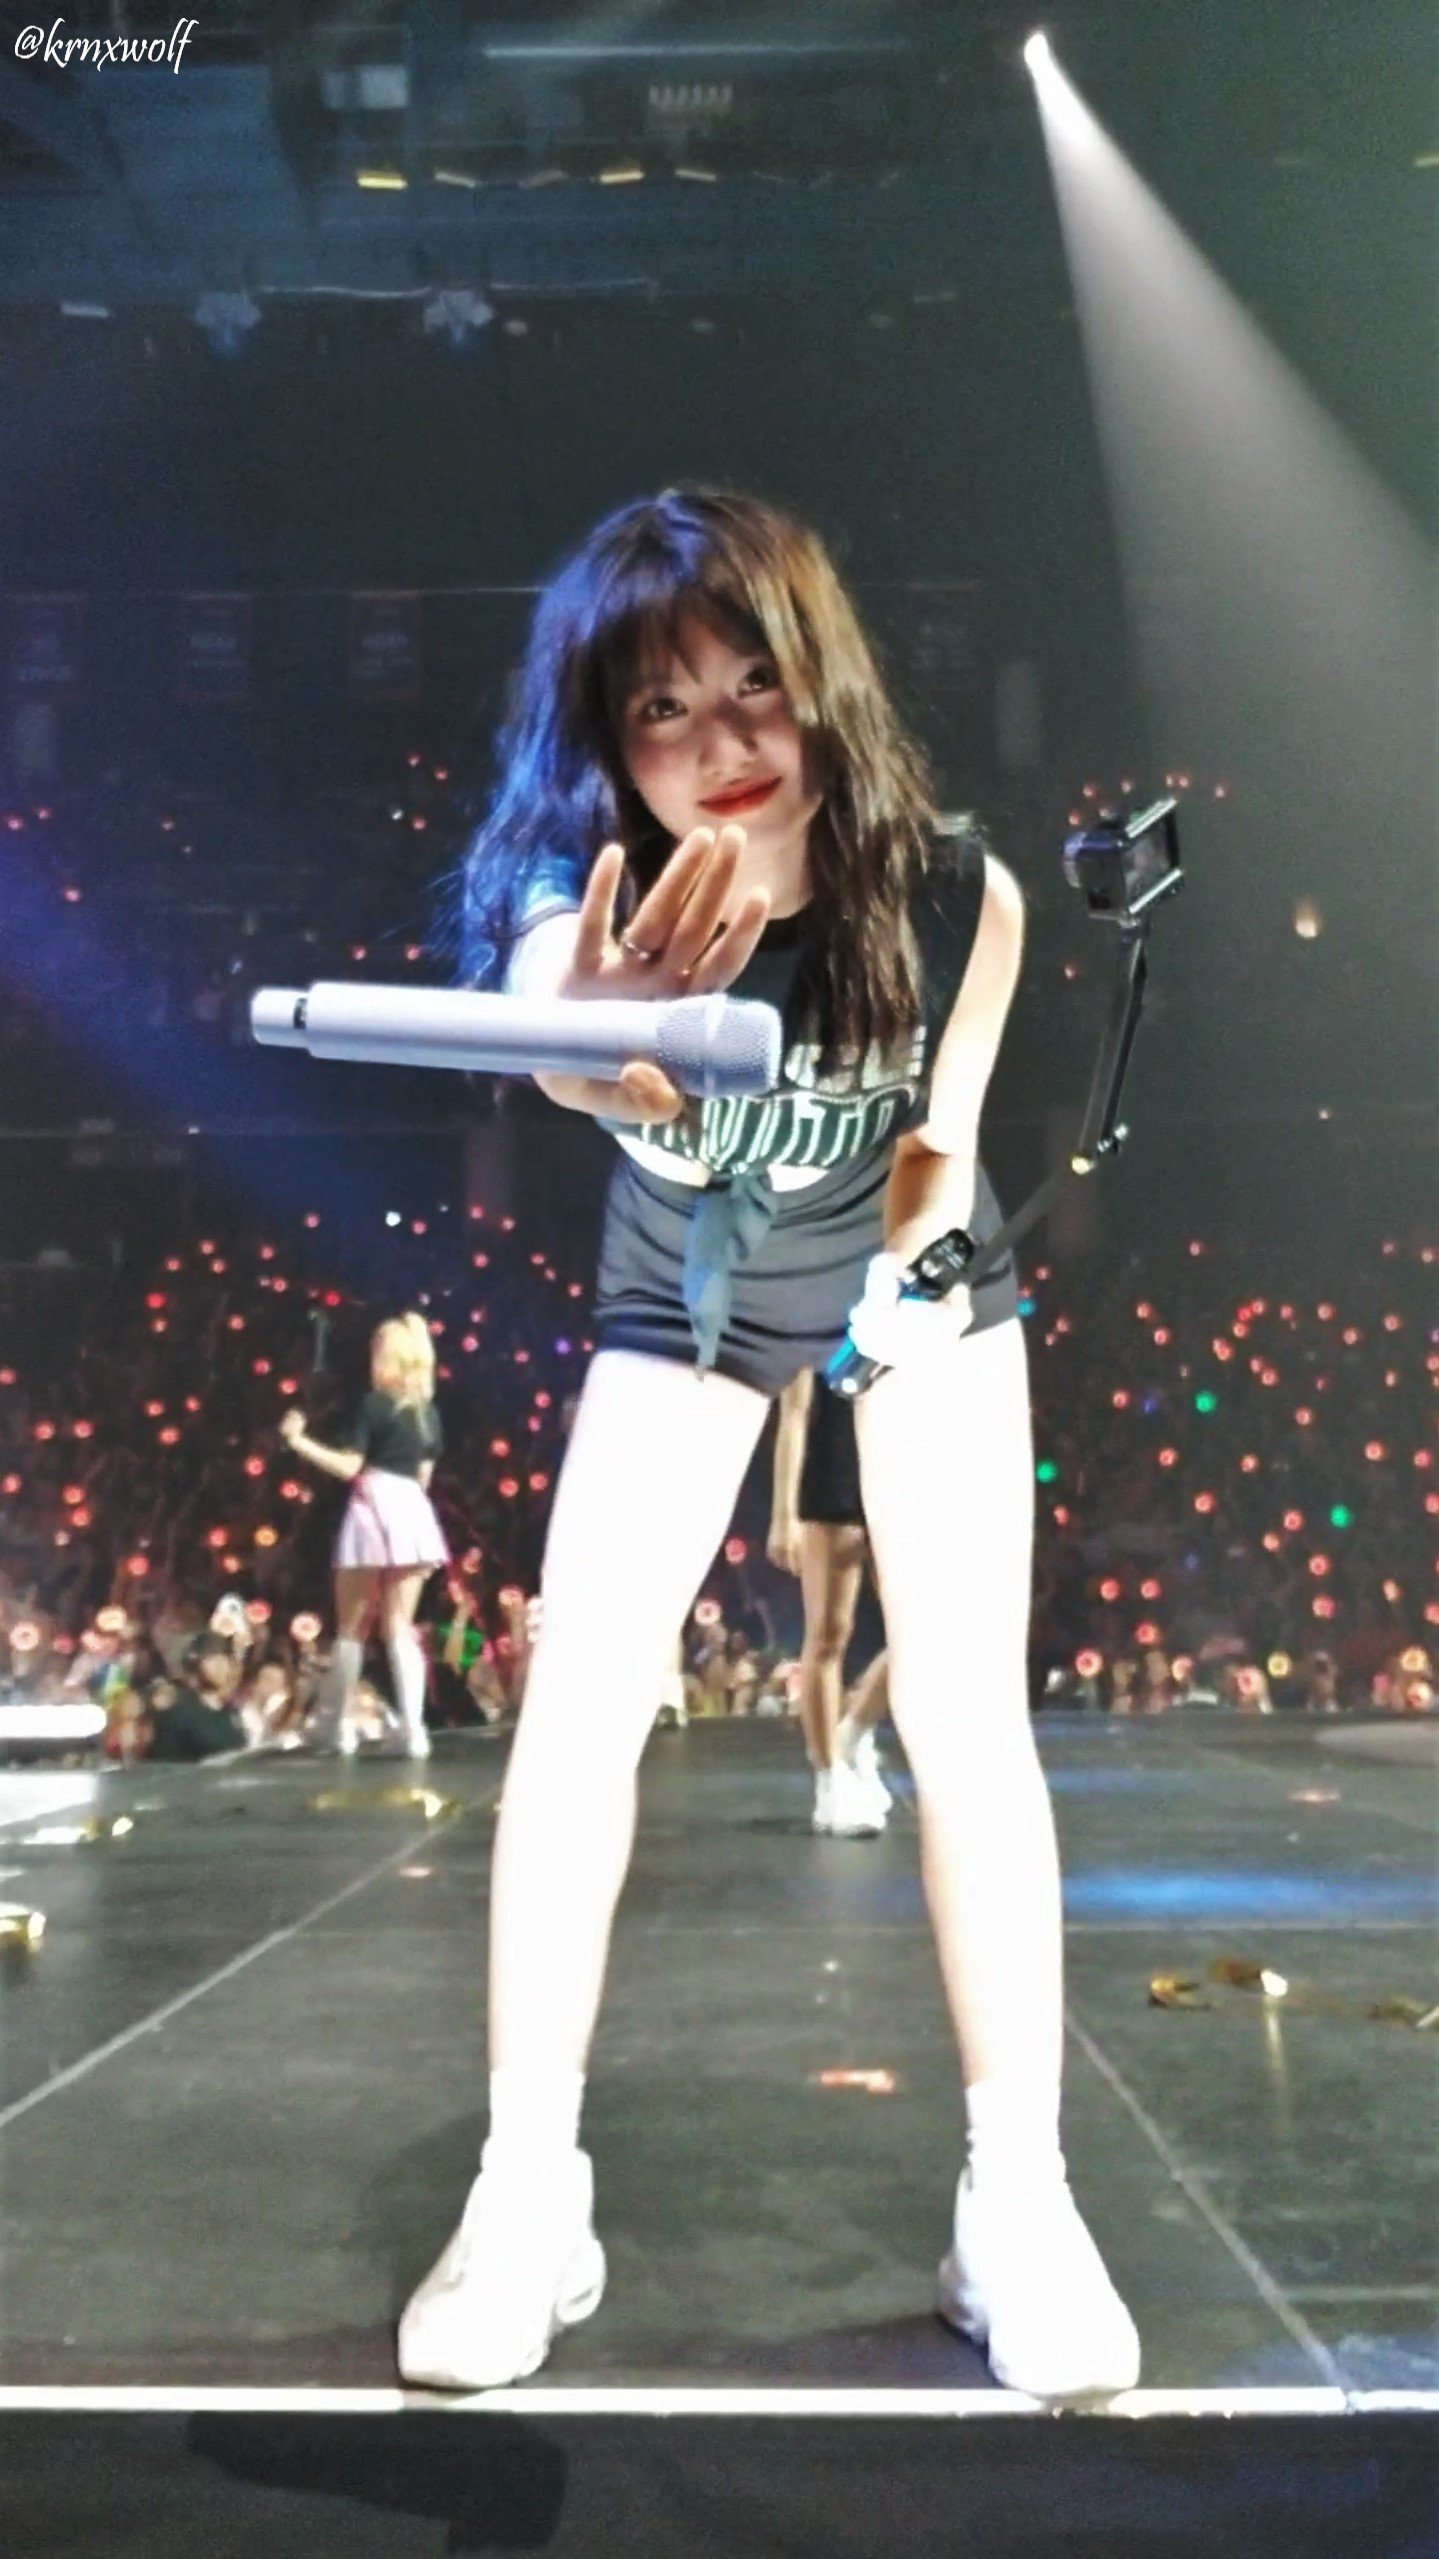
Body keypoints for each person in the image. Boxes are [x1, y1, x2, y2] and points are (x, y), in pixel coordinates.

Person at [399, 487, 1139, 2400]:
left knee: (962, 1710)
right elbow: (552, 1029)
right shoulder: (579, 893)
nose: (719, 741)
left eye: (752, 685)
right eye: (661, 707)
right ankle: (527, 2186)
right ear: (605, 737)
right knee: (580, 1698)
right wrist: (600, 1028)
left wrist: (897, 1300)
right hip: (684, 1285)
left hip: (909, 1273)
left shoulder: (953, 894)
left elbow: (939, 1144)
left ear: (821, 682)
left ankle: (1015, 2196)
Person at [279, 1312, 448, 1760]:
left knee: (351, 1627)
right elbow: (424, 1478)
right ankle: (413, 1730)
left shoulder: (375, 1405)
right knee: (400, 1627)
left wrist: (299, 1441)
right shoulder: (428, 1415)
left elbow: (350, 1466)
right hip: (413, 1511)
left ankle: (333, 1725)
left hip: (374, 1506)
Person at [769, 1367, 892, 1835]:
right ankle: (831, 1778)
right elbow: (794, 1414)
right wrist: (784, 1514)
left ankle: (854, 1729)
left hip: (896, 1476)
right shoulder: (814, 1327)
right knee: (827, 1635)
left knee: (919, 1634)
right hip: (832, 1480)